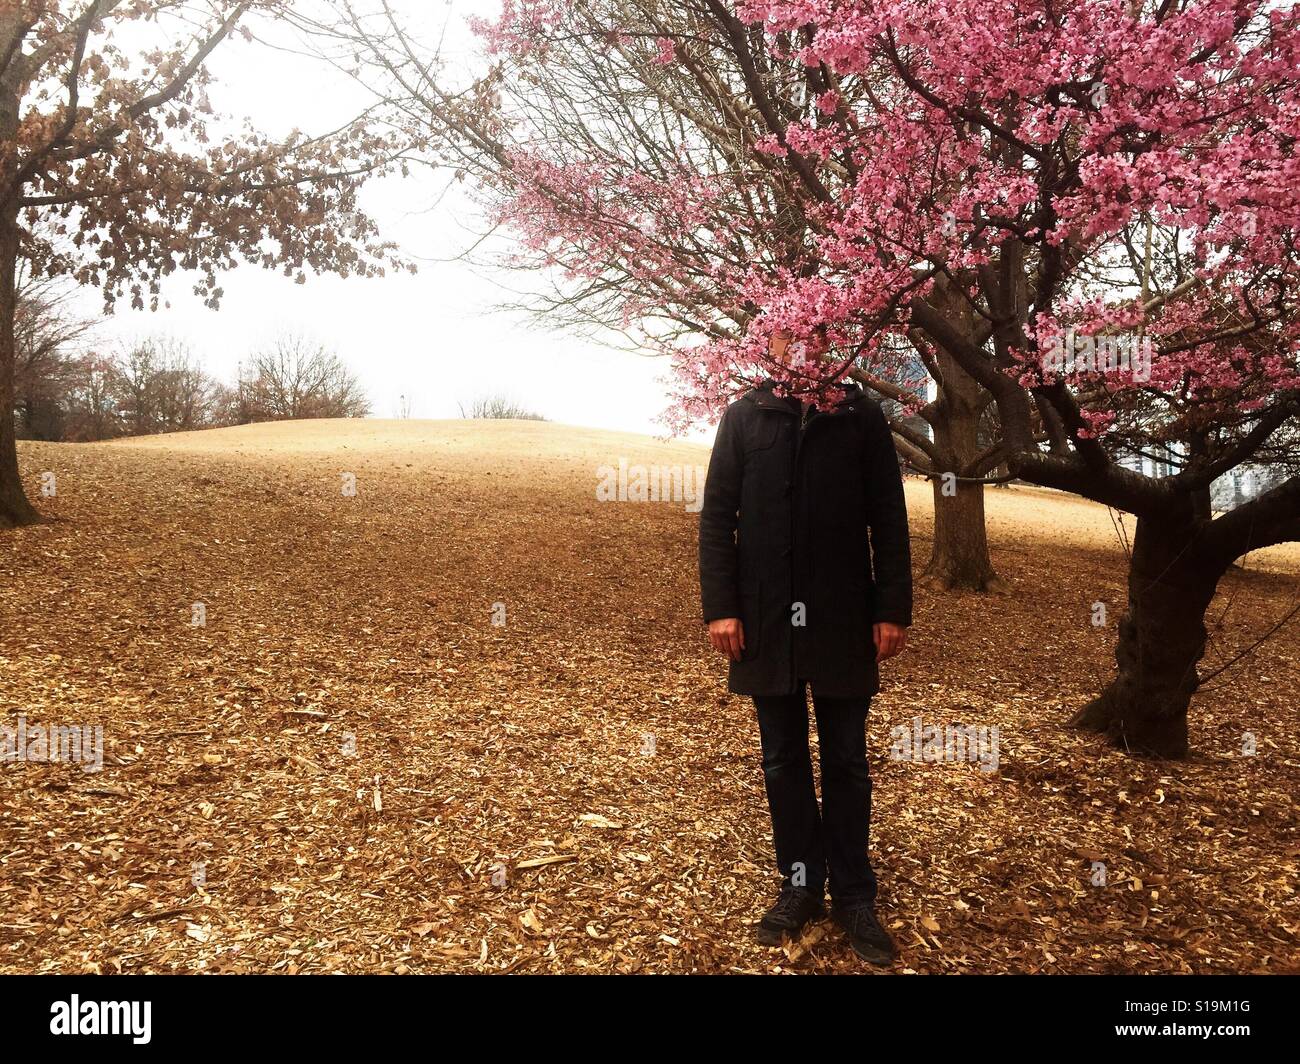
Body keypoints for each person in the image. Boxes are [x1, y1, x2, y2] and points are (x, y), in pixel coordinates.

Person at [697, 325, 913, 966]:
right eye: (792, 338)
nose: (805, 349)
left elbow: (889, 515)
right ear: (774, 345)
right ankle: (799, 886)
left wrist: (893, 609)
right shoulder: (743, 417)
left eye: (817, 337)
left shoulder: (860, 416)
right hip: (765, 621)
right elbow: (716, 517)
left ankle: (854, 896)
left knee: (846, 760)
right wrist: (722, 608)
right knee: (783, 761)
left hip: (846, 617)